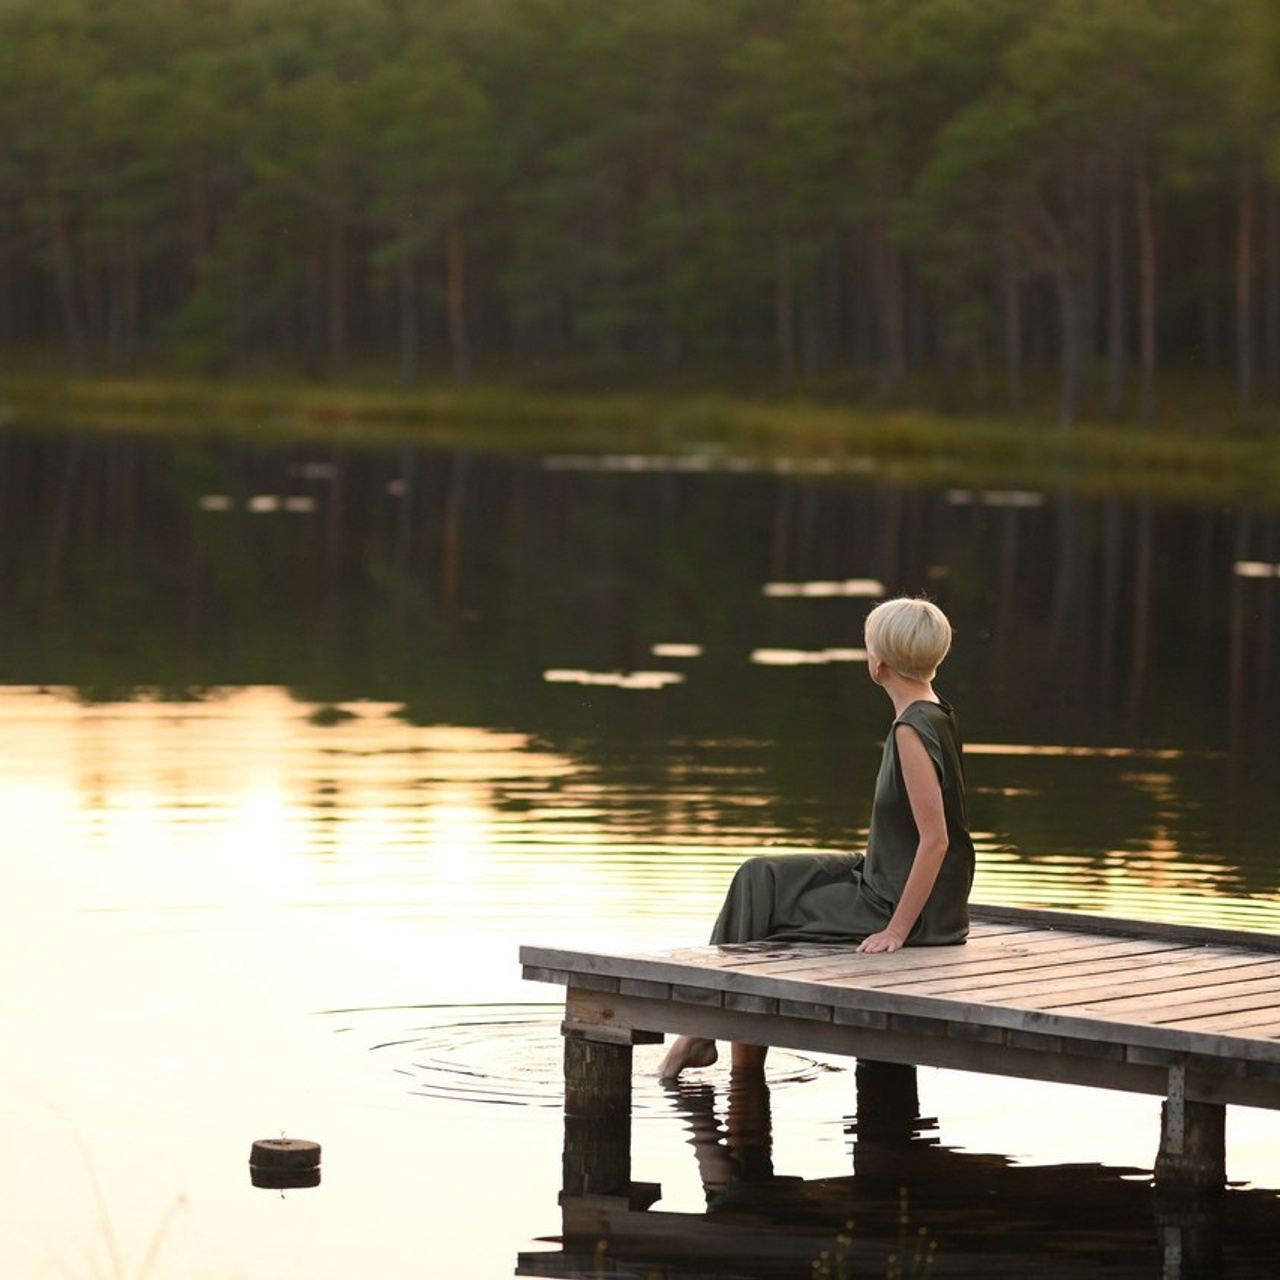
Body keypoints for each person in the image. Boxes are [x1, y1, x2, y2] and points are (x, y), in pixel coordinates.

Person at [657, 595, 974, 1082]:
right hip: (887, 874)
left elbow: (936, 840)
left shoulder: (912, 730)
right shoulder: (934, 712)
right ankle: (707, 1038)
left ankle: (708, 1039)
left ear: (879, 662)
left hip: (905, 906)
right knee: (758, 877)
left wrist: (896, 930)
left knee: (769, 913)